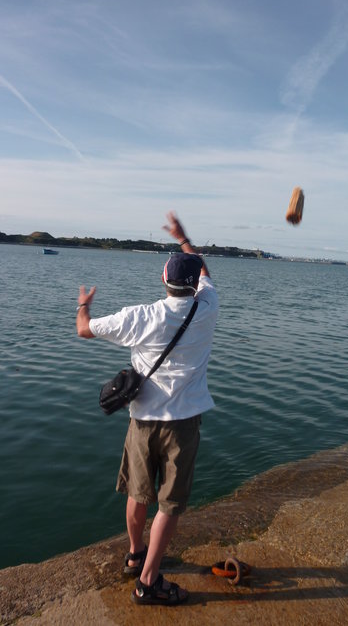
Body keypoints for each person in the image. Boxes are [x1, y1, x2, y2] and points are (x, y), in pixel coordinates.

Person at [76, 211, 218, 606]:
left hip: (141, 423)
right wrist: (185, 237)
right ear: (194, 285)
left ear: (163, 280)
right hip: (183, 425)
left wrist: (83, 306)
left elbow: (83, 330)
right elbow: (204, 269)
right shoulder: (207, 307)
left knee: (138, 495)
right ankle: (149, 580)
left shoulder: (141, 316)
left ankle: (136, 556)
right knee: (170, 504)